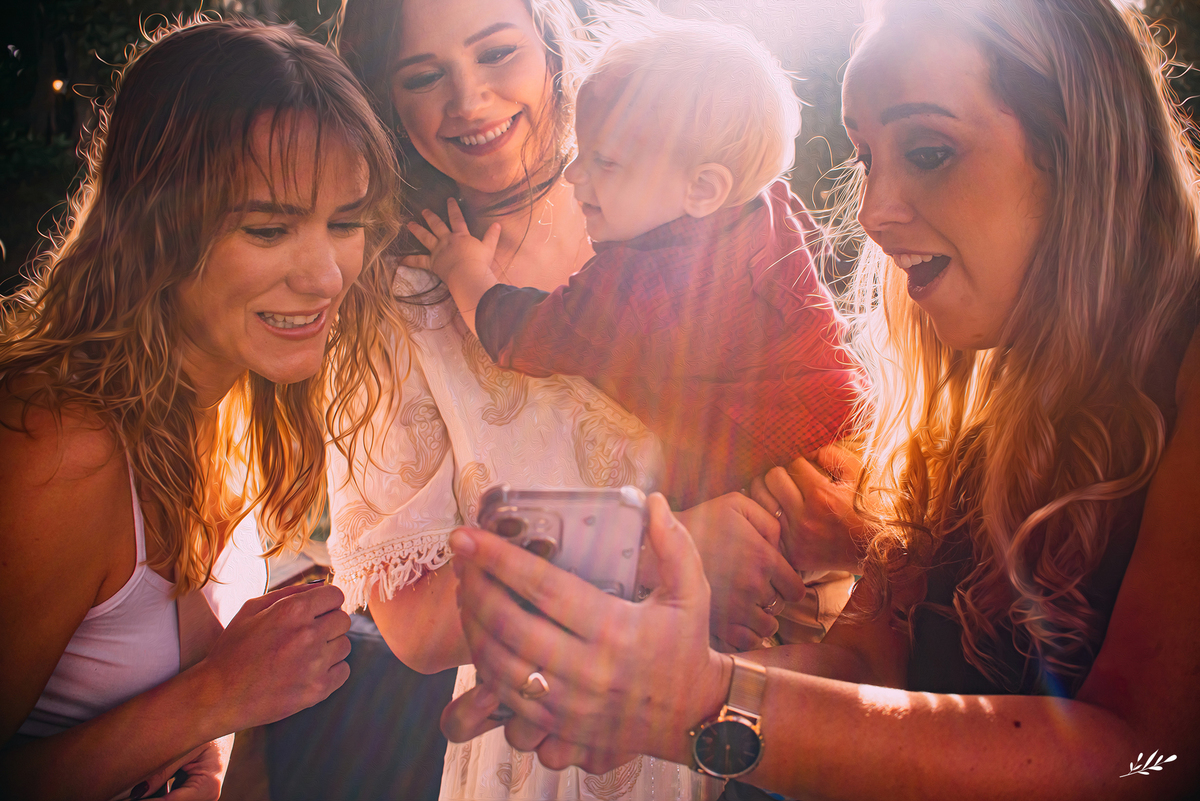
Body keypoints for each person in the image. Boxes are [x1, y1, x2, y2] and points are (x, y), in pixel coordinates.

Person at [441, 0, 1200, 798]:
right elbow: (869, 664)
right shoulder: (969, 398)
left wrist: (705, 701)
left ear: (1083, 149)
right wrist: (629, 680)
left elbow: (1152, 760)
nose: (872, 212)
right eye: (868, 157)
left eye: (931, 150)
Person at [330, 1, 842, 799]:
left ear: (550, 47)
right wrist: (653, 543)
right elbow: (419, 624)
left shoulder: (686, 201)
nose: (468, 100)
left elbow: (827, 406)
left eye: (497, 52)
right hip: (549, 760)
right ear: (385, 100)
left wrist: (828, 525)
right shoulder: (391, 307)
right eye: (423, 77)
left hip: (786, 718)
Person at [0, 18, 403, 800]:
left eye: (345, 221)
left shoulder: (235, 407)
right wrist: (214, 692)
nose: (325, 276)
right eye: (268, 226)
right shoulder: (60, 446)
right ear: (158, 221)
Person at [410, 10, 864, 510]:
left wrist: (465, 271)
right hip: (849, 421)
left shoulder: (634, 286)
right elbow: (821, 273)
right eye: (581, 151)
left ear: (703, 188)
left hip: (764, 479)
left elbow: (519, 335)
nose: (574, 175)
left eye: (605, 161)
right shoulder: (771, 203)